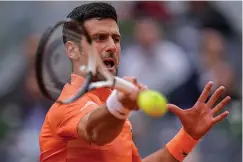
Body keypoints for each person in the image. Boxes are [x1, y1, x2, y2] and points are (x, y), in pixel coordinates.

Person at [39, 2, 231, 162]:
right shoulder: (67, 107)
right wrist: (120, 106)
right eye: (99, 38)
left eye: (116, 38)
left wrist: (188, 137)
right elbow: (95, 131)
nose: (112, 46)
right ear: (72, 50)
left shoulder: (115, 114)